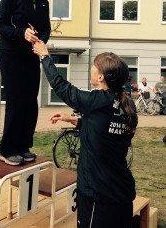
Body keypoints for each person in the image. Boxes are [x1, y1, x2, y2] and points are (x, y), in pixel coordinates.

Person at [33, 43, 138, 228]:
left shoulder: (96, 100)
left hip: (98, 194)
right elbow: (106, 133)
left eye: (94, 65)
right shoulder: (126, 104)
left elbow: (61, 86)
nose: (91, 67)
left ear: (100, 77)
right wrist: (74, 120)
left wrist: (44, 56)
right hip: (121, 191)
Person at [0, 0, 53, 166]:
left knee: (30, 101)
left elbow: (46, 28)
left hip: (31, 55)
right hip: (10, 53)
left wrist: (41, 41)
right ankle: (6, 149)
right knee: (17, 100)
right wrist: (22, 33)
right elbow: (0, 27)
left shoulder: (44, 3)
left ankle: (22, 146)